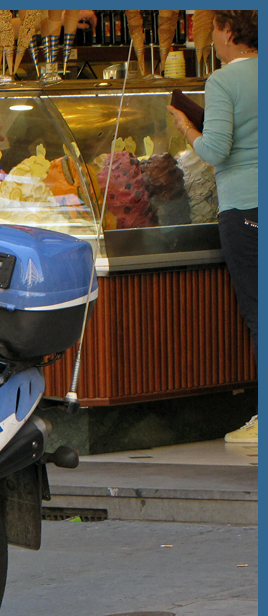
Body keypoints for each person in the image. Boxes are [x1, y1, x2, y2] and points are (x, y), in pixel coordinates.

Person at [168, 10, 258, 445]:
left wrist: (186, 125)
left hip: (245, 208)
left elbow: (216, 150)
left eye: (217, 30)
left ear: (229, 31)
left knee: (259, 313)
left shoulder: (223, 81)